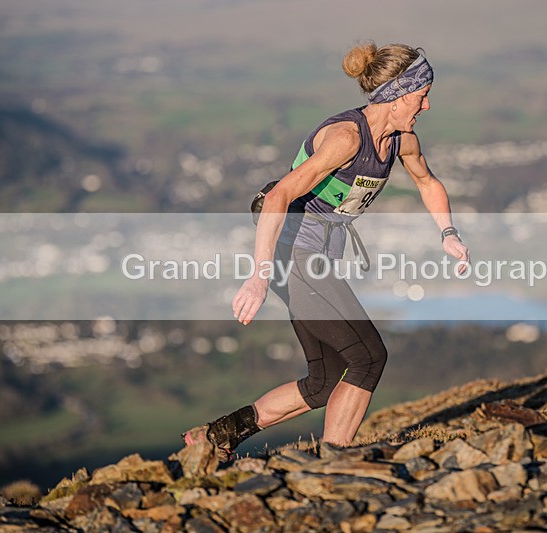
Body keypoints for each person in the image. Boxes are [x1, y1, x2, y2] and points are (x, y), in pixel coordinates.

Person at [183, 41, 470, 455]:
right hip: (291, 248)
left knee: (324, 379)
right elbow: (279, 196)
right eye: (422, 97)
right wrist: (259, 276)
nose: (425, 107)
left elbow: (428, 182)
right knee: (369, 357)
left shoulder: (401, 141)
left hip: (317, 256)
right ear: (398, 96)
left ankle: (213, 438)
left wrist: (449, 235)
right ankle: (334, 461)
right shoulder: (346, 139)